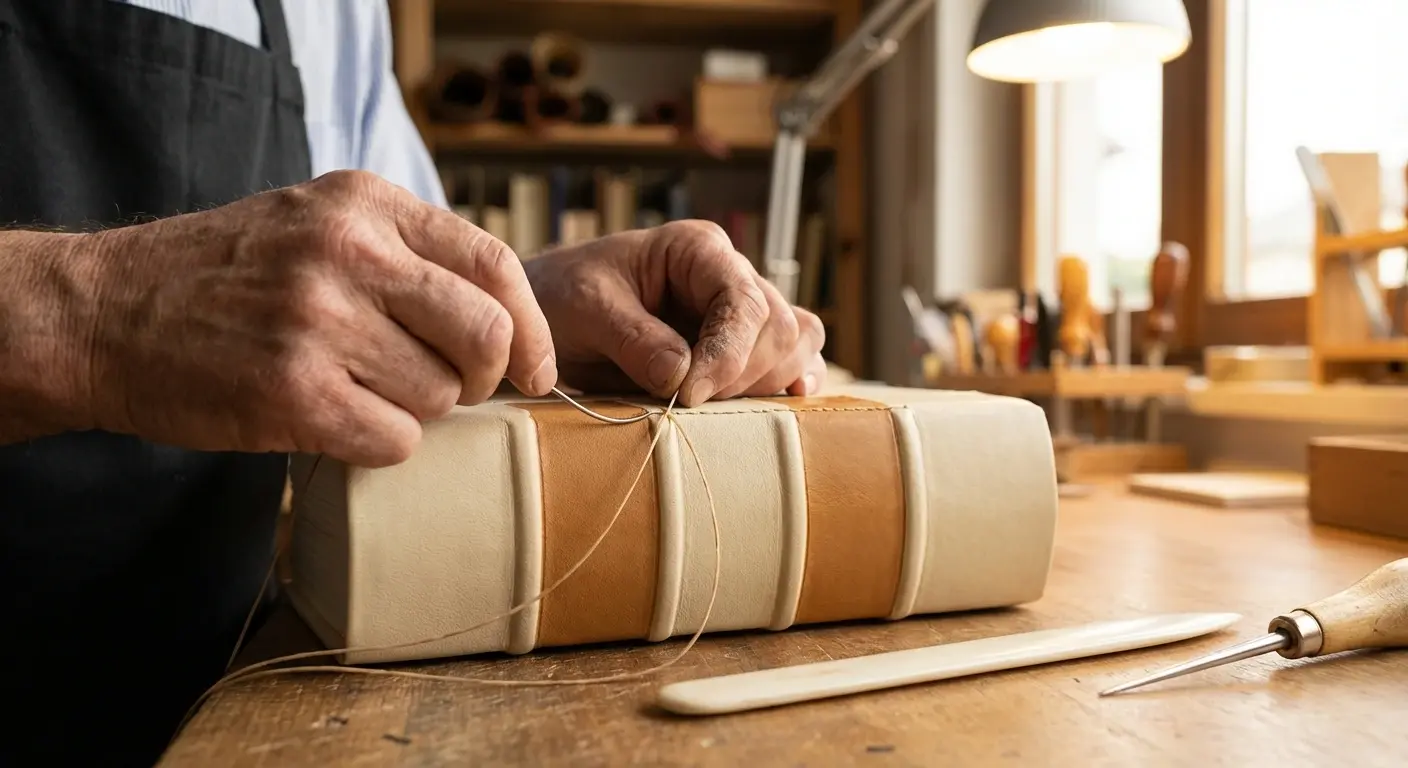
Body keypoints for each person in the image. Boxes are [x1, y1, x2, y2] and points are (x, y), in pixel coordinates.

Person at [0, 0, 826, 765]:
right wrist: (95, 315)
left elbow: (389, 273)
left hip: (241, 673)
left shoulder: (339, 10)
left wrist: (529, 304)